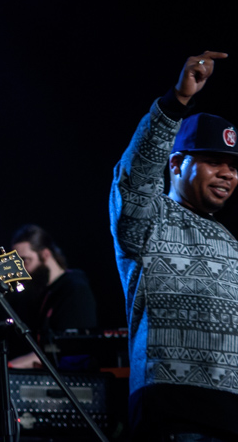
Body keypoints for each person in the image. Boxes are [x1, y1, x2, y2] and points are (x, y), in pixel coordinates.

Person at [111, 51, 238, 442]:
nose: (228, 174)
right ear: (177, 164)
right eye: (214, 161)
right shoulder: (149, 218)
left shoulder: (231, 242)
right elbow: (136, 173)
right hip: (171, 414)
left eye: (234, 166)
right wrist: (176, 102)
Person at [0, 224, 97, 369]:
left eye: (25, 260)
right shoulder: (31, 293)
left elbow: (58, 351)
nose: (20, 269)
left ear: (45, 255)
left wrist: (5, 368)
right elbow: (8, 344)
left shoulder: (74, 288)